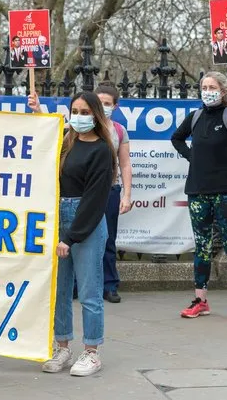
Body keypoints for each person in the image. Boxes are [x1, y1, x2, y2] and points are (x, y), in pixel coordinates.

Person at [37, 91, 115, 377]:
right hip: (59, 218)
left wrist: (70, 238)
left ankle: (92, 351)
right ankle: (63, 347)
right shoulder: (66, 143)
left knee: (90, 292)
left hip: (86, 224)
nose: (79, 117)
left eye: (85, 112)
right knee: (59, 290)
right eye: (75, 111)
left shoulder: (102, 151)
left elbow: (94, 201)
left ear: (96, 115)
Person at [171, 71, 227, 323]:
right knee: (202, 248)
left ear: (224, 91)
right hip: (198, 192)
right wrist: (191, 156)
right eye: (204, 86)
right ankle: (200, 300)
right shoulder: (195, 117)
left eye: (212, 86)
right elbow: (176, 138)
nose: (207, 90)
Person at [95, 83, 133, 303]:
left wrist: (126, 196)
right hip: (83, 192)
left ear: (115, 106)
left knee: (108, 239)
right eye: (99, 103)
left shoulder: (119, 130)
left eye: (107, 104)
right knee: (78, 238)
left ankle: (109, 285)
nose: (102, 107)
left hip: (109, 190)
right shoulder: (79, 125)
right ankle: (75, 285)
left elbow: (125, 164)